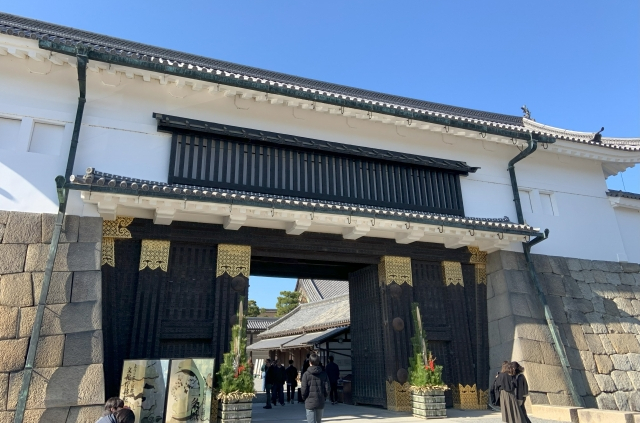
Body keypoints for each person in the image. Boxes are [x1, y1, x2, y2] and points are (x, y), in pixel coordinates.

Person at [301, 353, 330, 423]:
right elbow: (327, 388)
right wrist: (324, 396)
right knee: (318, 421)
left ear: (310, 362)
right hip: (320, 401)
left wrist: (304, 397)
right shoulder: (324, 374)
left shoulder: (306, 374)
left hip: (309, 401)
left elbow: (304, 390)